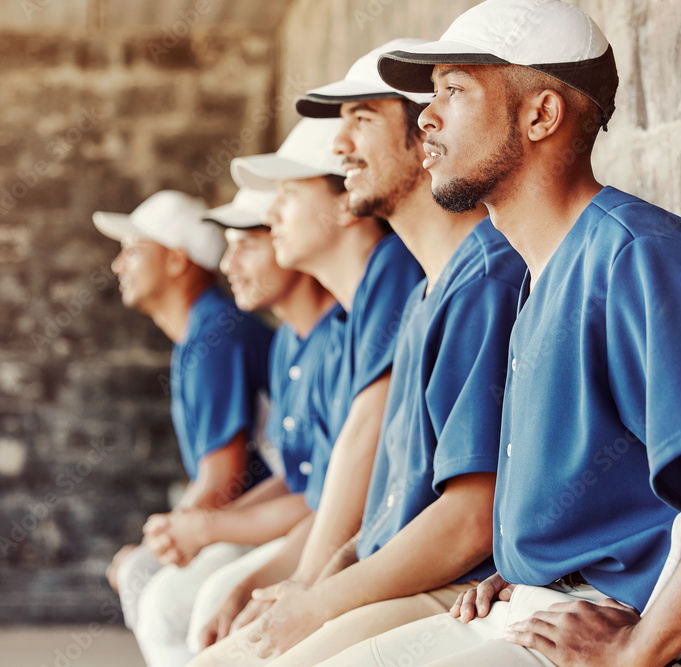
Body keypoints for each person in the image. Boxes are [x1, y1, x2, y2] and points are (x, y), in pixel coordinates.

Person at [319, 1, 681, 665]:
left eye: (454, 91)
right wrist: (533, 565)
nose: (427, 117)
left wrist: (640, 648)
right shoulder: (538, 271)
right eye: (432, 93)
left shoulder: (637, 253)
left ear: (541, 115)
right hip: (551, 611)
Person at [188, 39, 526, 667]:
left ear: (425, 136)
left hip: (461, 588)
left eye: (363, 120)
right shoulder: (428, 287)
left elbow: (470, 518)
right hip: (400, 574)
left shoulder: (486, 277)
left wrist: (319, 597)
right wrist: (316, 582)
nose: (341, 146)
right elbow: (380, 501)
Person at [187, 116, 426, 665]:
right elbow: (322, 492)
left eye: (289, 194)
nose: (271, 216)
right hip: (365, 555)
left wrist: (304, 588)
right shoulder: (351, 310)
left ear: (344, 202)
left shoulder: (390, 269)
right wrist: (285, 580)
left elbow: (363, 441)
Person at [128, 186, 343, 667]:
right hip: (287, 518)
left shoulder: (221, 333)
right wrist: (196, 529)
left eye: (248, 242)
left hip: (319, 532)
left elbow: (226, 480)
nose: (230, 264)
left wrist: (202, 529)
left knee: (170, 594)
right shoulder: (289, 338)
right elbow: (301, 477)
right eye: (228, 245)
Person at [92, 190, 275, 666]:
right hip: (254, 516)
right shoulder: (202, 331)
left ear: (176, 261)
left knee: (144, 580)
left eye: (133, 249)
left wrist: (166, 538)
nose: (118, 265)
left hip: (270, 520)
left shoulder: (217, 334)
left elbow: (222, 479)